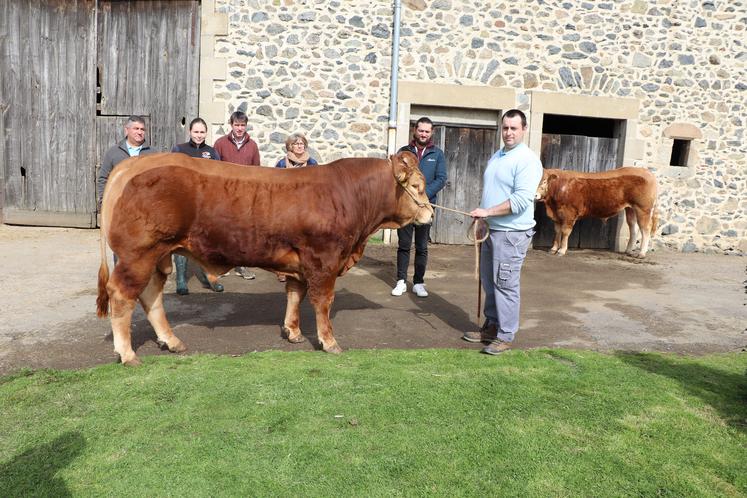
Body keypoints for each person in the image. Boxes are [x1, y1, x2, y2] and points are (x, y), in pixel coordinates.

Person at [462, 109, 543, 355]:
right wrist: (485, 219)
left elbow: (520, 201)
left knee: (505, 284)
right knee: (489, 281)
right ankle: (492, 327)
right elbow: (494, 191)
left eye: (514, 128)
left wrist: (487, 213)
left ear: (524, 129)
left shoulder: (528, 160)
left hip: (511, 234)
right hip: (492, 229)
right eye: (505, 128)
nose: (508, 133)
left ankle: (506, 335)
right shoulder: (498, 156)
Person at [391, 117, 447, 298]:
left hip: (425, 206)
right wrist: (412, 197)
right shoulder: (403, 152)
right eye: (420, 130)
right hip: (405, 206)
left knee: (422, 247)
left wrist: (422, 195)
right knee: (404, 245)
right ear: (415, 130)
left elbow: (441, 179)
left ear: (431, 133)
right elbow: (396, 177)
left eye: (427, 131)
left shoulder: (437, 154)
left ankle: (418, 282)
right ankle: (401, 281)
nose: (423, 134)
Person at [171, 118, 224, 295]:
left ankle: (211, 277)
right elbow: (174, 175)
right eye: (196, 132)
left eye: (202, 132)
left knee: (207, 242)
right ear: (190, 132)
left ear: (206, 133)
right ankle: (180, 280)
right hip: (184, 204)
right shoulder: (179, 149)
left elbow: (218, 178)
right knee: (181, 241)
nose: (199, 135)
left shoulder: (212, 152)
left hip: (205, 206)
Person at [214, 111, 260, 280]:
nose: (240, 128)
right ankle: (223, 265)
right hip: (225, 194)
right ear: (231, 125)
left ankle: (243, 266)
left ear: (245, 126)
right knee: (224, 229)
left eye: (242, 125)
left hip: (246, 195)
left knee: (244, 231)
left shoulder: (252, 145)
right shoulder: (220, 143)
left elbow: (257, 170)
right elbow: (214, 169)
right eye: (236, 125)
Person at [273, 132, 318, 282]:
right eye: (296, 144)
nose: (299, 146)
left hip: (306, 207)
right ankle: (282, 271)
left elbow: (318, 185)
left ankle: (304, 269)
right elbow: (275, 185)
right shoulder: (281, 163)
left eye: (301, 144)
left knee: (305, 240)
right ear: (290, 146)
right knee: (284, 240)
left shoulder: (312, 163)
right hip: (286, 207)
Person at [97, 115, 154, 210]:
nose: (140, 132)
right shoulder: (113, 152)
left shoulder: (153, 153)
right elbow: (103, 179)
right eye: (136, 128)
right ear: (127, 130)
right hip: (120, 206)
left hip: (146, 206)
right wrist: (105, 202)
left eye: (142, 129)